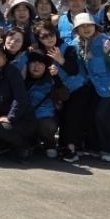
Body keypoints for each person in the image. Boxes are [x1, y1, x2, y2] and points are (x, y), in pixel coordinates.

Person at [71, 12, 110, 162]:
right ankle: (96, 148)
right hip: (99, 89)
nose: (86, 28)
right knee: (94, 117)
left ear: (95, 27)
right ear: (77, 30)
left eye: (89, 25)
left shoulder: (104, 41)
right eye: (81, 26)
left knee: (104, 118)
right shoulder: (78, 43)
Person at [34, 20, 91, 163]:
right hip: (60, 92)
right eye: (44, 36)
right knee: (63, 118)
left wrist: (60, 60)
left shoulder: (68, 47)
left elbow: (74, 70)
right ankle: (64, 147)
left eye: (51, 34)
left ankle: (72, 149)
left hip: (78, 89)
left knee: (72, 118)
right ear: (38, 39)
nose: (49, 38)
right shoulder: (40, 54)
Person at [24, 51, 66, 159]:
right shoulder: (21, 80)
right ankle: (31, 143)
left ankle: (49, 144)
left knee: (47, 125)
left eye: (41, 63)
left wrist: (56, 78)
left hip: (46, 118)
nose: (37, 66)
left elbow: (64, 96)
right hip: (27, 118)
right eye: (33, 62)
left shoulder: (51, 81)